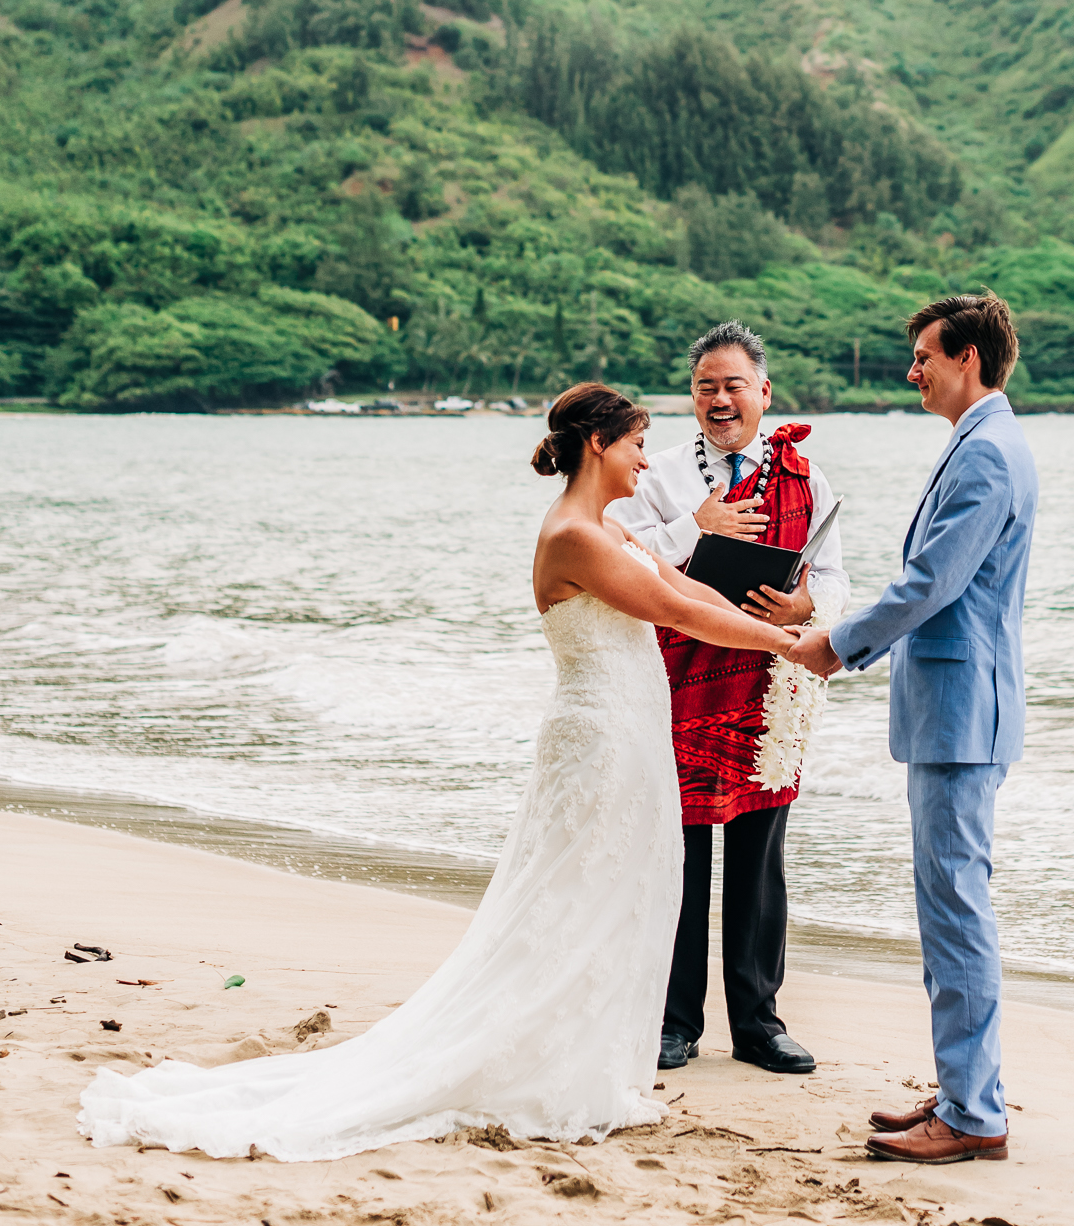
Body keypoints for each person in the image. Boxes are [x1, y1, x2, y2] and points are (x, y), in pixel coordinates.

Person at [79, 383, 794, 1162]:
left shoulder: (608, 528)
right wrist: (793, 650)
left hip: (629, 731)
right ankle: (539, 1064)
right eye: (635, 444)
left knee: (614, 896)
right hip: (601, 740)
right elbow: (678, 615)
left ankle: (581, 1060)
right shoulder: (575, 537)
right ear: (598, 445)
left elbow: (685, 587)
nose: (644, 459)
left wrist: (784, 620)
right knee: (574, 900)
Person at [791, 294, 1037, 1167]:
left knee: (957, 910)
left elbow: (932, 582)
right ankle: (964, 1089)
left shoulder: (988, 456)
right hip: (958, 711)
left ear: (967, 358)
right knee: (948, 906)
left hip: (963, 717)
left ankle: (974, 1114)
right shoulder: (985, 443)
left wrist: (838, 642)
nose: (912, 371)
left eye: (924, 356)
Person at [607, 320, 848, 1077]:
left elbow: (836, 578)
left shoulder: (808, 478)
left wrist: (806, 605)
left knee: (758, 859)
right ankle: (675, 1022)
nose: (719, 397)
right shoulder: (659, 474)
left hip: (767, 691)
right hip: (677, 685)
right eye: (706, 385)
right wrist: (696, 524)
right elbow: (622, 555)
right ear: (692, 397)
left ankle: (758, 1023)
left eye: (734, 384)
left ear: (763, 392)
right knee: (679, 856)